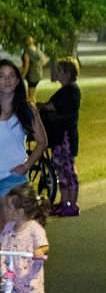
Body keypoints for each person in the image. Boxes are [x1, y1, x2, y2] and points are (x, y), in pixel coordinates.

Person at [1, 182, 51, 293]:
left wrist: (39, 251)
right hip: (11, 274)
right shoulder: (8, 227)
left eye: (8, 208)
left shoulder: (34, 229)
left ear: (19, 212)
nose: (4, 210)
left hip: (28, 275)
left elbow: (44, 245)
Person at [0, 60, 48, 224]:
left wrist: (26, 166)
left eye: (11, 76)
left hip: (13, 179)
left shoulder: (26, 109)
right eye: (2, 76)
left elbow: (42, 142)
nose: (7, 80)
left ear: (18, 80)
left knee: (11, 233)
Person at [38, 58, 82, 217]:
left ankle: (72, 204)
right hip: (58, 137)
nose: (56, 73)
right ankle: (64, 202)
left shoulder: (72, 91)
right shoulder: (64, 90)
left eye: (60, 71)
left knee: (68, 169)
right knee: (60, 168)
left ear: (68, 73)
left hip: (66, 137)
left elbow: (55, 107)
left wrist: (41, 106)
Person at [20, 37, 47, 104]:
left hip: (32, 76)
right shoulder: (37, 50)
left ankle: (34, 112)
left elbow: (26, 67)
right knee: (32, 95)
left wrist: (21, 77)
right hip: (38, 74)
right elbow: (44, 62)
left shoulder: (27, 53)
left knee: (30, 97)